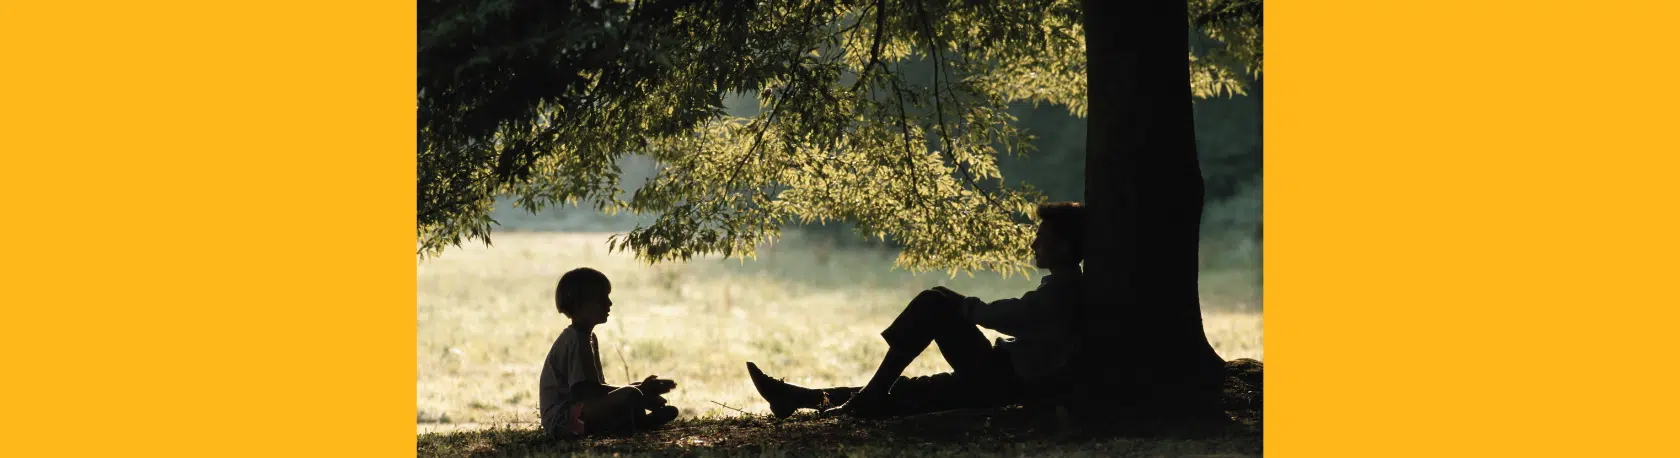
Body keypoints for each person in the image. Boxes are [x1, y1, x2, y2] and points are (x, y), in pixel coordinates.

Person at [747, 202, 1087, 418]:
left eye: (1042, 238)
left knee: (934, 304)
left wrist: (960, 304)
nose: (1033, 244)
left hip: (1002, 379)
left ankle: (866, 392)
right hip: (999, 374)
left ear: (1066, 246)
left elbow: (1007, 317)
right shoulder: (1061, 286)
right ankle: (797, 397)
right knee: (906, 392)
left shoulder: (1065, 289)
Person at [539, 267, 680, 438]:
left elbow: (596, 389)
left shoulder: (588, 338)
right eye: (602, 298)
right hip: (563, 422)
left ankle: (633, 422)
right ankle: (641, 425)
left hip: (577, 413)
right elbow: (585, 392)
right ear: (580, 304)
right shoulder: (575, 340)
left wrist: (639, 389)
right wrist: (639, 392)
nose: (609, 303)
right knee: (631, 393)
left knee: (631, 391)